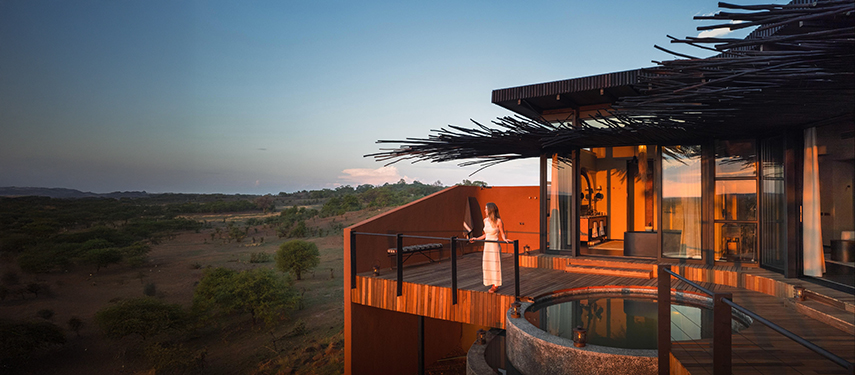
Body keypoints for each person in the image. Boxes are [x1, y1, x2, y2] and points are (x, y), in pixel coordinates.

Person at [469, 202, 510, 293]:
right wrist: (476, 238)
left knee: (495, 264)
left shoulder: (498, 221)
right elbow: (486, 235)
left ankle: (496, 284)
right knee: (487, 264)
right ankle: (490, 281)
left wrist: (505, 239)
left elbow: (502, 233)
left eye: (486, 209)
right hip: (487, 245)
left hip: (494, 245)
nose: (485, 210)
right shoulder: (485, 221)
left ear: (490, 210)